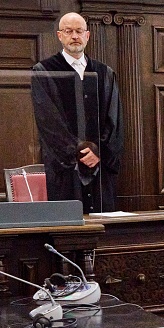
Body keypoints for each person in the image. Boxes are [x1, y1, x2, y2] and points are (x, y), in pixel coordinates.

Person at [31, 12, 124, 213]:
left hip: (100, 170)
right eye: (69, 31)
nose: (74, 36)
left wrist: (99, 152)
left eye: (79, 31)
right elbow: (48, 122)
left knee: (102, 229)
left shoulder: (104, 73)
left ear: (87, 36)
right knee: (68, 227)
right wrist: (78, 151)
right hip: (65, 169)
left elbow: (114, 119)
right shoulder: (45, 71)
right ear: (59, 35)